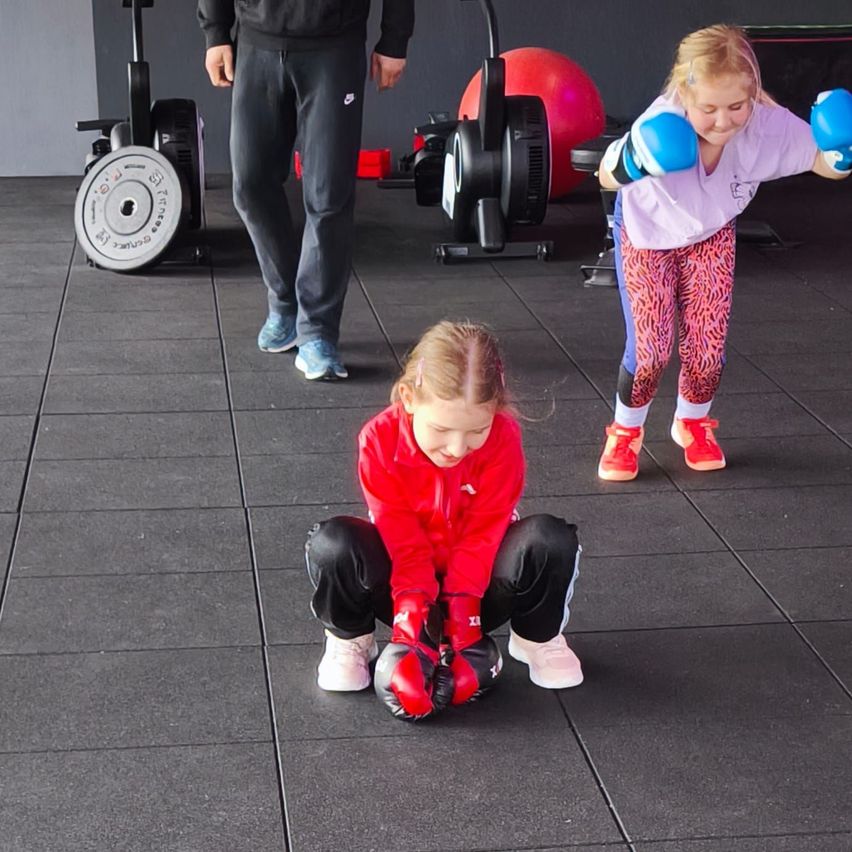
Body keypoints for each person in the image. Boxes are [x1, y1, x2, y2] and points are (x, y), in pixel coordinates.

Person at [596, 24, 851, 481]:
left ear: (752, 94)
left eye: (736, 106)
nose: (723, 120)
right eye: (708, 109)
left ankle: (691, 422)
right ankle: (625, 431)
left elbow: (819, 161)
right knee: (652, 350)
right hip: (647, 234)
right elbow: (604, 176)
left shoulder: (765, 124)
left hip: (711, 233)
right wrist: (635, 158)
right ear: (683, 95)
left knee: (708, 350)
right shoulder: (663, 120)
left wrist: (843, 153)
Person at [304, 321, 583, 721]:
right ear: (408, 398)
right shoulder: (378, 440)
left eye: (475, 431)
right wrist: (413, 624)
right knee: (334, 542)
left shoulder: (504, 438)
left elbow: (485, 532)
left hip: (480, 586)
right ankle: (352, 639)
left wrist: (465, 617)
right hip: (403, 584)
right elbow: (401, 536)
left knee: (549, 538)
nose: (456, 447)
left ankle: (535, 637)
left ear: (496, 413)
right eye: (441, 429)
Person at [198, 0, 414, 381]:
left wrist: (395, 38)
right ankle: (285, 300)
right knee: (250, 184)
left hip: (334, 45)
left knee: (328, 195)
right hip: (256, 41)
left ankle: (317, 331)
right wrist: (216, 30)